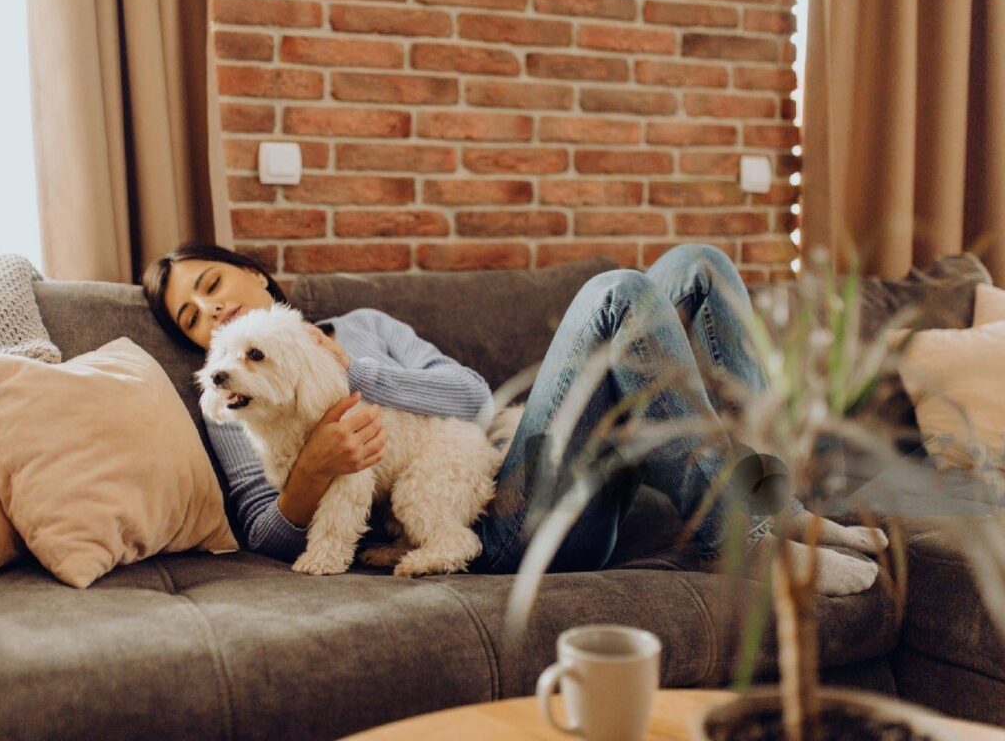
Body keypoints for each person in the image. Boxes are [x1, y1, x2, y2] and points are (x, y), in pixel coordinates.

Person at [142, 242, 878, 587]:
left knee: (701, 265)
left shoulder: (363, 325)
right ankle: (742, 538)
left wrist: (354, 371)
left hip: (524, 465)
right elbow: (264, 533)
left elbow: (469, 397)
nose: (209, 310)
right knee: (618, 290)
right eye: (192, 318)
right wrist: (318, 465)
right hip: (499, 526)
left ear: (256, 274)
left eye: (211, 284)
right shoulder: (230, 397)